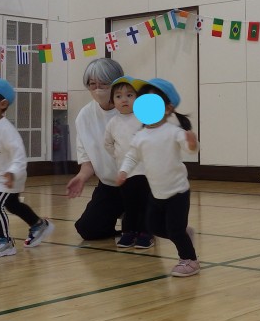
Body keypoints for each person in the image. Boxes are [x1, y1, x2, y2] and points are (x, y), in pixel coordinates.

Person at [117, 78, 200, 277]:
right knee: (154, 227)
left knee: (174, 230)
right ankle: (184, 234)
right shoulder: (140, 136)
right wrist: (124, 171)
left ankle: (190, 260)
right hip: (156, 193)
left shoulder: (173, 132)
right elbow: (132, 156)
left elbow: (190, 150)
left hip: (178, 192)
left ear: (168, 108)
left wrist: (192, 143)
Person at [0, 78, 54, 257]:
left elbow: (19, 155)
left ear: (3, 104)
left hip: (10, 176)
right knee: (12, 205)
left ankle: (4, 241)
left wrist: (12, 172)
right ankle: (38, 224)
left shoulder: (6, 129)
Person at [66, 58, 125, 240]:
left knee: (140, 231)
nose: (98, 89)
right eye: (93, 84)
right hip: (109, 185)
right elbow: (88, 160)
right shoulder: (84, 116)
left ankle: (140, 219)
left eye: (104, 84)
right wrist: (81, 177)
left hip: (137, 185)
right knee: (88, 229)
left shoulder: (132, 111)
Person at [104, 76, 154, 249]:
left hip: (145, 172)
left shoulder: (144, 118)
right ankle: (128, 232)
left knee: (145, 203)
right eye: (118, 96)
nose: (124, 100)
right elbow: (107, 144)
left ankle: (146, 232)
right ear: (113, 101)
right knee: (129, 204)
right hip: (125, 173)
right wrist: (119, 156)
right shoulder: (113, 123)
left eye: (129, 95)